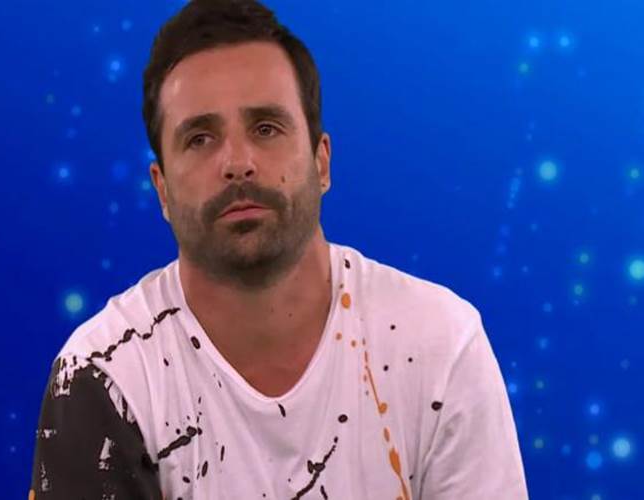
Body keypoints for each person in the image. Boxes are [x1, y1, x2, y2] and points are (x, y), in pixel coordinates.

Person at [29, 1, 528, 498]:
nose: (237, 162)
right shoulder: (102, 374)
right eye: (200, 138)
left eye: (266, 128)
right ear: (161, 189)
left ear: (322, 161)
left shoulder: (439, 347)